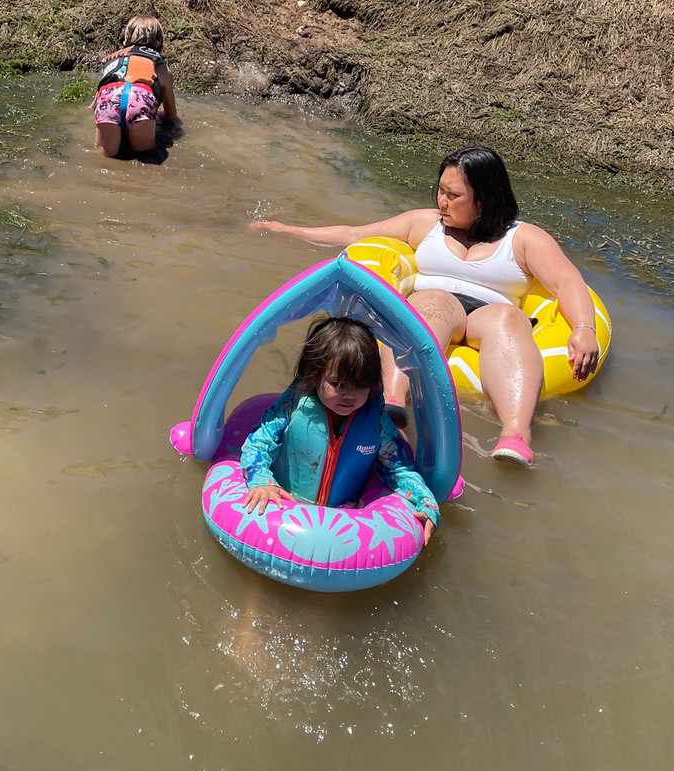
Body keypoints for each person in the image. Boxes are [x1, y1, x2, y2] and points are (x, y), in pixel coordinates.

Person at [249, 145, 601, 466]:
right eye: (441, 190)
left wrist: (584, 329)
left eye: (453, 195)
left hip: (488, 317)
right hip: (432, 309)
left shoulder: (523, 238)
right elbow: (356, 235)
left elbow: (565, 282)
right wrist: (285, 229)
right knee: (432, 302)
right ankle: (394, 407)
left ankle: (515, 435)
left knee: (508, 317)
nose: (441, 201)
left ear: (484, 198)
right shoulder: (425, 224)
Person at [240, 316, 440, 544]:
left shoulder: (376, 420)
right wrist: (262, 482)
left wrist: (426, 503)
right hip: (285, 506)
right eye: (337, 384)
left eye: (360, 386)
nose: (349, 395)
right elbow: (257, 445)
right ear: (314, 376)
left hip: (345, 514)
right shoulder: (292, 405)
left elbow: (398, 470)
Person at [91, 15, 178, 157]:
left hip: (109, 98)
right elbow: (171, 115)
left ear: (127, 37)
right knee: (144, 156)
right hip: (140, 99)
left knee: (103, 156)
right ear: (159, 41)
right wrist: (155, 116)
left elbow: (95, 103)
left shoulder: (113, 60)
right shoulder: (161, 68)